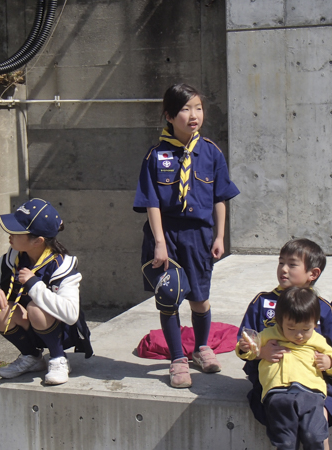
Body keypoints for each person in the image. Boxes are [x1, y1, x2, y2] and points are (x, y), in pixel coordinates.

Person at [133, 83, 240, 388]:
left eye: (198, 108)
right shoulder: (155, 156)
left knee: (200, 299)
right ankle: (178, 358)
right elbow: (151, 201)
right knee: (168, 298)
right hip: (166, 233)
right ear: (169, 115)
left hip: (199, 235)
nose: (193, 115)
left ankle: (202, 347)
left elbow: (220, 197)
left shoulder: (211, 152)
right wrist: (160, 243)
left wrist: (220, 237)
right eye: (185, 109)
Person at [0, 198, 92, 385]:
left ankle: (58, 359)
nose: (9, 235)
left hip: (63, 333)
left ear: (38, 241)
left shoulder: (63, 266)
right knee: (3, 311)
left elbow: (71, 315)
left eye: (17, 231)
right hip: (32, 330)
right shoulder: (12, 258)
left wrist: (35, 285)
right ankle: (31, 357)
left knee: (36, 307)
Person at [237, 238, 332, 448]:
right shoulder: (263, 302)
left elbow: (331, 352)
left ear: (313, 274)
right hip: (273, 383)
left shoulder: (322, 308)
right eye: (280, 262)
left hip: (311, 382)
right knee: (285, 433)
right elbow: (244, 342)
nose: (283, 269)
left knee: (316, 429)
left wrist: (328, 362)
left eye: (292, 264)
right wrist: (260, 352)